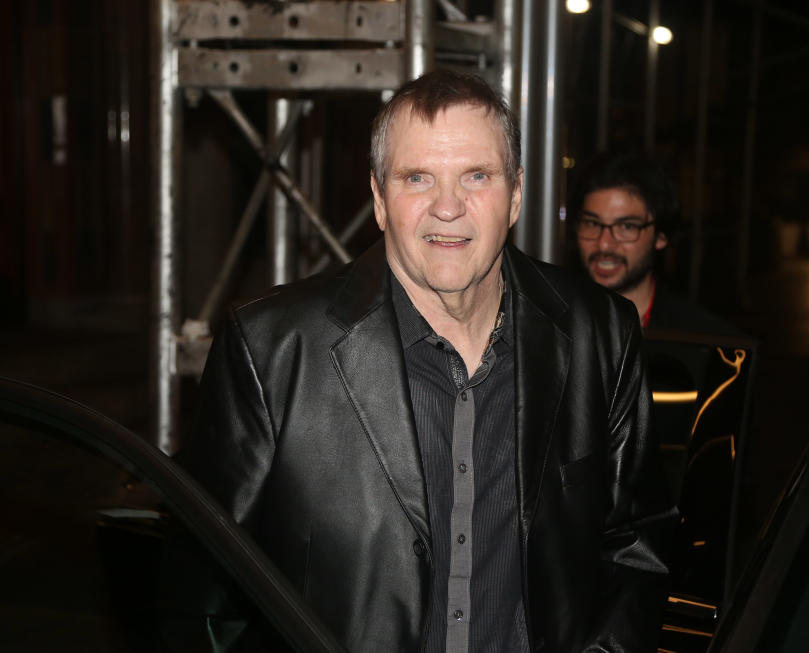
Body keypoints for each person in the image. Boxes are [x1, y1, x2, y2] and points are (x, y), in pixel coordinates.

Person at [183, 70, 676, 653]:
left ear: (515, 193)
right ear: (379, 199)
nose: (448, 207)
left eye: (476, 176)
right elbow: (209, 598)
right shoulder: (270, 349)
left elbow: (635, 550)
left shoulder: (601, 334)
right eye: (418, 177)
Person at [571, 151, 743, 337]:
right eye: (592, 223)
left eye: (627, 227)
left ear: (661, 237)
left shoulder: (705, 340)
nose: (604, 244)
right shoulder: (551, 327)